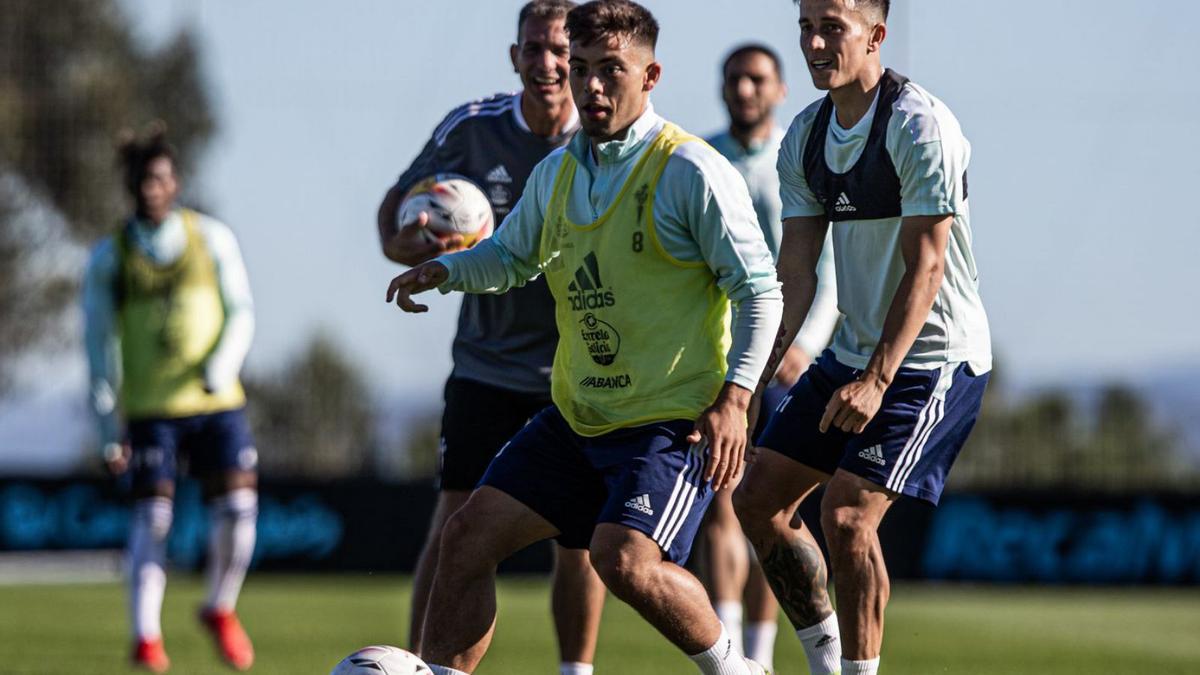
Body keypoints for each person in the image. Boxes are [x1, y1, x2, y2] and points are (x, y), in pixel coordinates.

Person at [385, 2, 783, 673]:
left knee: (621, 557)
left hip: (668, 424)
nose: (591, 87)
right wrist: (445, 270)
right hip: (577, 418)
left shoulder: (689, 170)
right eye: (581, 69)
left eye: (610, 71)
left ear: (650, 74)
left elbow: (761, 292)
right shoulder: (558, 174)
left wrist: (735, 399)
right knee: (466, 537)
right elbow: (511, 258)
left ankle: (736, 667)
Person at [732, 1, 992, 674]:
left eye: (832, 28)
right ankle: (824, 660)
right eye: (805, 27)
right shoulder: (805, 137)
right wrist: (753, 377)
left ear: (875, 35)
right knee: (756, 498)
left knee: (847, 517)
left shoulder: (919, 125)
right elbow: (796, 271)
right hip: (848, 354)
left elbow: (927, 265)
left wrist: (877, 379)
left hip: (934, 361)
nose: (815, 43)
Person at [374, 3, 607, 673]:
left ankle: (575, 670)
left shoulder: (602, 138)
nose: (548, 63)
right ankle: (423, 665)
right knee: (454, 527)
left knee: (579, 540)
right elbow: (393, 219)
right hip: (485, 368)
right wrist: (419, 243)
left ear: (581, 57)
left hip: (576, 374)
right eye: (534, 48)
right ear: (515, 57)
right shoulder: (471, 129)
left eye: (560, 49)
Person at [83, 124, 258, 673]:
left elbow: (242, 312)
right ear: (130, 185)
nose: (151, 188)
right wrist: (109, 428)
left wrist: (219, 366)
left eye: (160, 177)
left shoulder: (211, 239)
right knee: (153, 520)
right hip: (151, 411)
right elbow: (97, 346)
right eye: (141, 179)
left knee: (238, 512)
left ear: (176, 181)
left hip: (216, 403)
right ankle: (146, 638)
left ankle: (219, 608)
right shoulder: (109, 259)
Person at [699, 42, 839, 671]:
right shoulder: (698, 160)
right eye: (735, 79)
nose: (745, 90)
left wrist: (804, 342)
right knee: (722, 501)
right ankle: (732, 656)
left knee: (771, 508)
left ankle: (761, 653)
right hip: (718, 365)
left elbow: (826, 264)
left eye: (757, 79)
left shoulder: (801, 155)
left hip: (787, 366)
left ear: (780, 89)